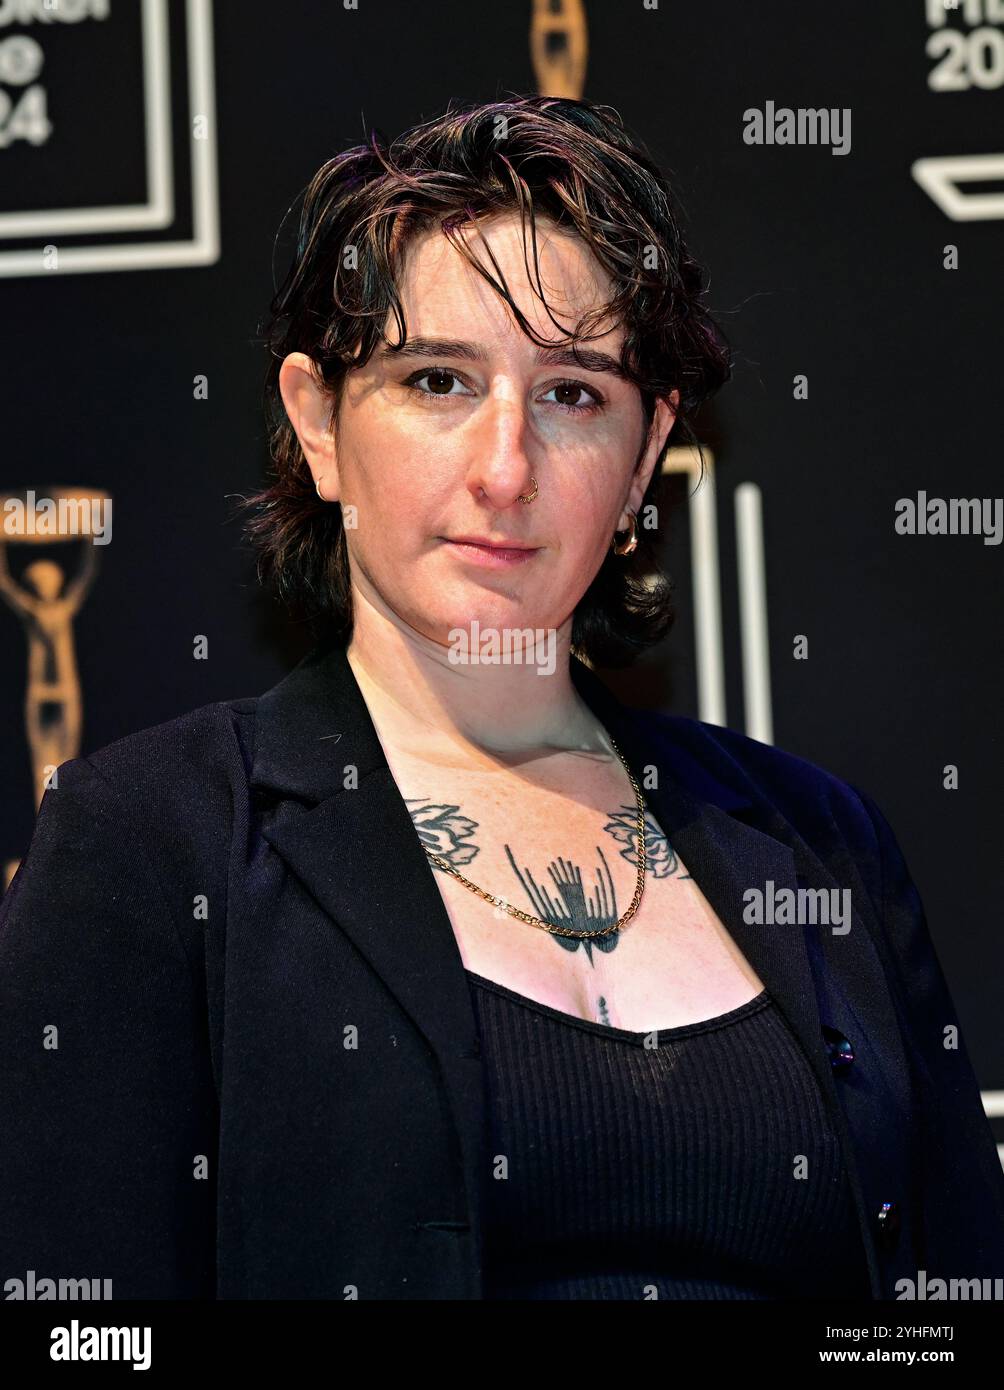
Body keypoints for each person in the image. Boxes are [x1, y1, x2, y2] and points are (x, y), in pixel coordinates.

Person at [2, 95, 1003, 1302]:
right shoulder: (156, 841)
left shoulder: (817, 842)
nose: (504, 468)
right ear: (317, 424)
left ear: (643, 456)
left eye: (572, 392)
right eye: (436, 379)